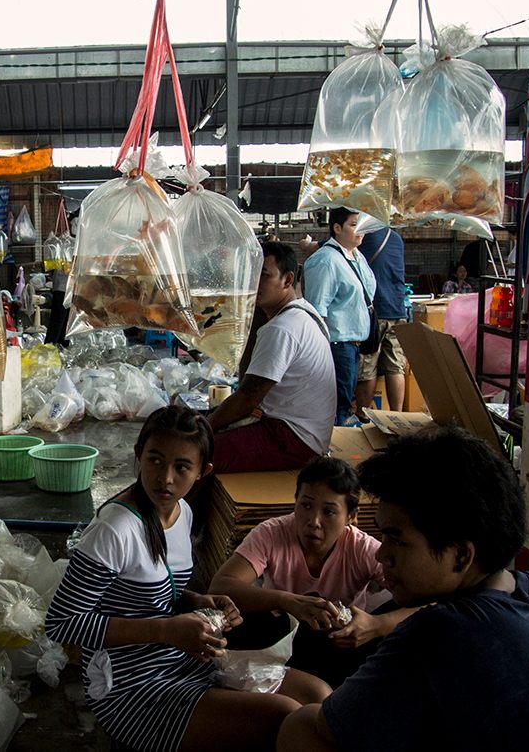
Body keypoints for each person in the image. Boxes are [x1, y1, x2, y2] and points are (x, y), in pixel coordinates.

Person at [277, 427, 529, 751]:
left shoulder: (437, 633)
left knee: (297, 732)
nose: (383, 554)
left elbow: (314, 729)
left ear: (461, 555)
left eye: (396, 540)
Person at [46, 405, 299, 752]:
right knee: (284, 716)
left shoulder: (183, 514)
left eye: (181, 467)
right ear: (139, 455)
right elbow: (62, 624)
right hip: (132, 683)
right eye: (155, 460)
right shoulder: (115, 530)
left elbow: (165, 596)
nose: (165, 477)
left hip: (184, 660)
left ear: (202, 472)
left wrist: (197, 602)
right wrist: (166, 631)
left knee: (316, 695)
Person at [209, 457, 416, 702]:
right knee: (231, 623)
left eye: (329, 511)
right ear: (295, 503)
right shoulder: (271, 533)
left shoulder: (362, 548)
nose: (313, 521)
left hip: (342, 646)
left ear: (351, 516)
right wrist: (287, 601)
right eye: (306, 506)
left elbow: (426, 602)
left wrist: (376, 624)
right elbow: (221, 586)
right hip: (284, 640)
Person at [208, 242, 335, 472]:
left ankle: (185, 509)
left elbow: (248, 397)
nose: (253, 283)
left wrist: (207, 427)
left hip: (294, 439)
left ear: (287, 280)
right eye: (250, 274)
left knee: (198, 452)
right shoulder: (301, 312)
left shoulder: (283, 327)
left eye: (263, 275)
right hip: (298, 430)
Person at [302, 209, 376, 426]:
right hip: (336, 344)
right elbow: (317, 307)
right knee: (337, 404)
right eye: (354, 224)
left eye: (361, 224)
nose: (360, 230)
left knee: (344, 399)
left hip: (353, 343)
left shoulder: (356, 255)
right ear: (337, 228)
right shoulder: (326, 260)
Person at [354, 225, 407, 416]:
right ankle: (397, 416)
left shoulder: (365, 237)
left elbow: (336, 246)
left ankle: (362, 415)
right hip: (398, 309)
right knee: (395, 366)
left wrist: (309, 244)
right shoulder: (396, 238)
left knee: (367, 367)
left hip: (375, 313)